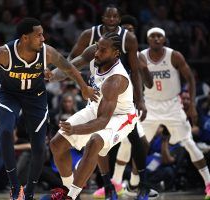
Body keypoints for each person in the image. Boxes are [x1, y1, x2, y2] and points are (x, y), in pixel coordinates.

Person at [0, 18, 97, 200]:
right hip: (9, 95)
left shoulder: (47, 53)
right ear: (25, 38)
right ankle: (15, 188)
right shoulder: (3, 53)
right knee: (5, 132)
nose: (43, 38)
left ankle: (28, 193)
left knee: (39, 147)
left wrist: (84, 87)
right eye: (39, 35)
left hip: (35, 97)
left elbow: (68, 68)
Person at [42, 32, 149, 200]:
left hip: (120, 117)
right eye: (97, 47)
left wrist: (75, 129)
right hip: (96, 106)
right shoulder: (97, 51)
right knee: (57, 143)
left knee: (94, 142)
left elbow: (102, 122)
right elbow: (73, 65)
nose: (97, 52)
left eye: (103, 50)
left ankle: (71, 196)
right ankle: (68, 189)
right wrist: (54, 75)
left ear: (116, 54)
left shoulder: (115, 80)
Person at [140, 27, 210, 199]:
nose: (156, 39)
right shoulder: (141, 56)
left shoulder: (174, 56)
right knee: (138, 145)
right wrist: (139, 102)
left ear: (164, 39)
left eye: (160, 36)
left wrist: (192, 106)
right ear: (148, 39)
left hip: (173, 106)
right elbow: (136, 80)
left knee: (189, 143)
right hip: (151, 106)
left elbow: (190, 78)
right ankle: (133, 184)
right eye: (153, 36)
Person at [93, 14, 158, 200]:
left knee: (137, 141)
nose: (128, 32)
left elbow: (149, 84)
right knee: (108, 143)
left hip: (128, 102)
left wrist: (143, 68)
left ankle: (137, 184)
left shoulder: (137, 55)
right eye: (125, 29)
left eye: (131, 30)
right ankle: (112, 185)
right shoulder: (109, 50)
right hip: (107, 100)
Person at [68, 4, 146, 121]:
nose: (111, 19)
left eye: (115, 17)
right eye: (108, 16)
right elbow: (72, 60)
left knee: (123, 131)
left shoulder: (129, 38)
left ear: (119, 19)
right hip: (97, 85)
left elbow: (135, 71)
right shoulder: (89, 34)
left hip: (119, 87)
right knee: (96, 126)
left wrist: (140, 99)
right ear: (103, 18)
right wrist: (82, 85)